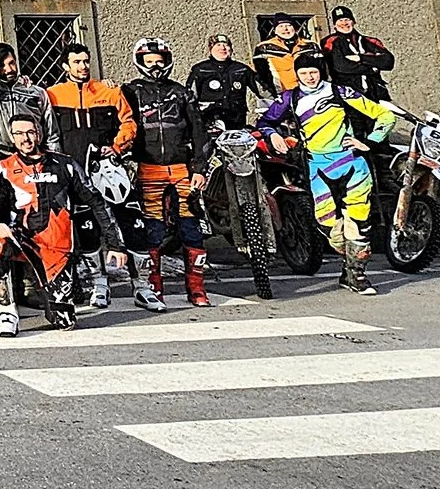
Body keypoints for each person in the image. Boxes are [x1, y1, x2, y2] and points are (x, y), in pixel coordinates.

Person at [256, 57, 401, 296]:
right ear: (297, 74)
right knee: (329, 226)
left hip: (353, 165)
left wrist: (368, 142)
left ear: (321, 72)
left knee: (358, 223)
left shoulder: (341, 92)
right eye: (304, 73)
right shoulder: (290, 98)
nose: (310, 77)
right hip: (318, 169)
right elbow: (265, 122)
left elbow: (385, 116)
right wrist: (272, 135)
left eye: (313, 72)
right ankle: (348, 265)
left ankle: (357, 275)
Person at [0, 110, 127, 337]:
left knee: (64, 322)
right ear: (11, 136)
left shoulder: (65, 164)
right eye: (19, 133)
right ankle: (6, 313)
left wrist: (115, 244)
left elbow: (96, 202)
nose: (25, 139)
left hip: (57, 248)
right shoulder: (3, 168)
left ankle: (52, 299)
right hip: (22, 240)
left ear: (39, 133)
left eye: (30, 132)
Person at [119, 38, 212, 311]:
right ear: (139, 63)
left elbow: (200, 133)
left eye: (159, 60)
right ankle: (153, 287)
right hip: (148, 168)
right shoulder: (130, 91)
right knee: (152, 231)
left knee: (192, 229)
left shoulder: (182, 92)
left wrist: (200, 169)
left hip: (183, 169)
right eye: (149, 61)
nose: (155, 66)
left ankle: (197, 288)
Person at [44, 42, 135, 308]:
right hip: (70, 172)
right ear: (65, 66)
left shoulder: (108, 91)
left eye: (86, 61)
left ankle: (137, 284)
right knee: (84, 230)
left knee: (119, 224)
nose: (82, 67)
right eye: (76, 62)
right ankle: (98, 283)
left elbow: (128, 122)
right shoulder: (52, 95)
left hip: (105, 172)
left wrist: (117, 146)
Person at [186, 32, 275, 300]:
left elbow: (263, 93)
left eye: (226, 46)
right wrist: (196, 118)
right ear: (210, 48)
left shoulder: (240, 70)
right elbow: (188, 100)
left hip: (239, 131)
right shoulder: (200, 70)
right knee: (202, 163)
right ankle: (200, 205)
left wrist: (267, 115)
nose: (223, 49)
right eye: (218, 45)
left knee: (264, 160)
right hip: (211, 131)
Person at [0, 43, 49, 149]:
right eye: (2, 66)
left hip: (31, 152)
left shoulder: (35, 92)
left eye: (12, 63)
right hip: (0, 152)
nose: (9, 69)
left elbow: (51, 131)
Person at [318, 7, 396, 103]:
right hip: (349, 93)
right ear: (334, 25)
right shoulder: (330, 42)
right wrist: (372, 68)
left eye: (347, 19)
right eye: (340, 20)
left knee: (386, 117)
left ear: (353, 22)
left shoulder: (369, 41)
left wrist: (360, 58)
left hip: (376, 91)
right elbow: (341, 66)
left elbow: (388, 62)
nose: (344, 23)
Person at [252, 15, 324, 94]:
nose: (285, 29)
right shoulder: (264, 48)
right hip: (282, 93)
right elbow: (261, 74)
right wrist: (272, 94)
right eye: (281, 26)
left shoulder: (310, 45)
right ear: (274, 30)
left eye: (289, 25)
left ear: (295, 28)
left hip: (310, 91)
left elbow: (323, 69)